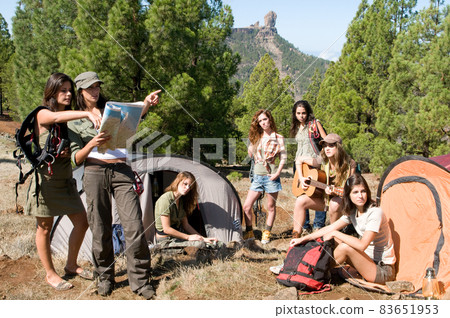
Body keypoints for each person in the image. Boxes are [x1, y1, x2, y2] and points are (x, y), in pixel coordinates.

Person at [68, 71, 160, 299]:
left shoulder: (112, 108)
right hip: (94, 171)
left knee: (134, 226)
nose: (95, 90)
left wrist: (146, 103)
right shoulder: (74, 118)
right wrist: (92, 143)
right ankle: (105, 277)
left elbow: (134, 118)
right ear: (80, 90)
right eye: (90, 88)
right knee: (99, 227)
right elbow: (75, 158)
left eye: (97, 86)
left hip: (122, 170)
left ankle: (140, 280)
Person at [25, 72, 102, 291]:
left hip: (65, 180)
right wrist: (86, 115)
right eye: (63, 90)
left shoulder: (68, 120)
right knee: (44, 228)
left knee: (82, 222)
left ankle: (71, 265)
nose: (68, 94)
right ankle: (51, 274)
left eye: (70, 90)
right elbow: (56, 118)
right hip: (46, 181)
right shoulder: (42, 114)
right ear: (52, 92)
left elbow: (74, 157)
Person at [290, 174, 396, 284]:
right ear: (348, 195)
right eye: (355, 192)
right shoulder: (353, 211)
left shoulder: (375, 213)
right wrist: (303, 239)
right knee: (332, 239)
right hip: (367, 260)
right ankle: (310, 266)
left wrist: (335, 233)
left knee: (344, 246)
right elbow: (330, 227)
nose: (360, 196)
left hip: (383, 270)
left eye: (363, 191)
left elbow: (362, 245)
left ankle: (314, 270)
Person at [292, 133, 356, 237]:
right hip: (325, 200)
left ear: (338, 147)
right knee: (300, 200)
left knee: (335, 203)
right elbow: (299, 160)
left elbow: (351, 190)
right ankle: (296, 235)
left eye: (331, 146)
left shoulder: (349, 164)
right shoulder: (321, 161)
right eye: (325, 146)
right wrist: (301, 178)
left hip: (342, 202)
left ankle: (332, 235)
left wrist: (336, 191)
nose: (327, 148)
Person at [242, 109, 287, 244]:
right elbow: (251, 156)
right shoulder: (257, 137)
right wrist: (251, 143)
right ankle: (249, 232)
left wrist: (277, 173)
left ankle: (266, 233)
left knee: (271, 207)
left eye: (265, 119)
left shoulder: (278, 138)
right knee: (247, 206)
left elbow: (283, 157)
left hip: (270, 175)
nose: (263, 123)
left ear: (270, 119)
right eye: (260, 121)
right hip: (257, 176)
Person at [154, 171, 222, 249]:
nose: (187, 188)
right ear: (178, 182)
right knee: (200, 245)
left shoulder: (181, 201)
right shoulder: (165, 199)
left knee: (216, 244)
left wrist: (203, 238)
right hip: (166, 241)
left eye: (190, 186)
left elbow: (186, 225)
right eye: (185, 184)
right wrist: (188, 237)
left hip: (178, 238)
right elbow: (166, 229)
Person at [290, 100, 327, 236]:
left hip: (313, 162)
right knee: (301, 192)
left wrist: (321, 159)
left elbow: (325, 140)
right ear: (295, 114)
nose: (301, 116)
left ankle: (319, 225)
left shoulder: (314, 124)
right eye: (298, 113)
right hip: (299, 164)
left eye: (304, 113)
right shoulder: (296, 126)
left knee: (318, 192)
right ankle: (305, 225)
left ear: (308, 112)